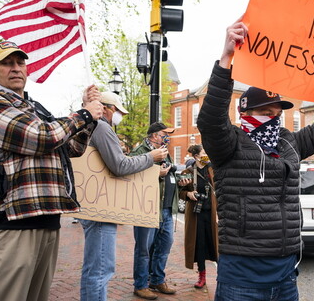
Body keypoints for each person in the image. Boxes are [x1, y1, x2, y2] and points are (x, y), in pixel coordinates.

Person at [196, 17, 314, 300]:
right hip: (242, 277)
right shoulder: (229, 145)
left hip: (286, 277)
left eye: (277, 113)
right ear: (246, 114)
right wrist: (226, 57)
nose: (273, 119)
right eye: (266, 113)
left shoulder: (288, 143)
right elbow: (211, 119)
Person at [0, 40, 103, 301]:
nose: (16, 68)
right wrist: (83, 115)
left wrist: (88, 120)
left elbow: (71, 148)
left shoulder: (33, 108)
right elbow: (40, 138)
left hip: (44, 218)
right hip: (8, 223)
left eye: (20, 62)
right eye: (6, 63)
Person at [79, 91, 169, 301]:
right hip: (102, 209)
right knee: (101, 269)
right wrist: (150, 157)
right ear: (108, 109)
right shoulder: (102, 127)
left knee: (93, 268)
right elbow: (119, 165)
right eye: (119, 111)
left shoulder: (94, 127)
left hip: (96, 204)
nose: (120, 116)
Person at [130, 122, 183, 300]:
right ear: (153, 135)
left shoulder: (164, 151)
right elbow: (130, 173)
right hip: (147, 208)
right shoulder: (139, 152)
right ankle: (141, 285)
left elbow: (169, 174)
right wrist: (156, 174)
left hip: (166, 209)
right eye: (163, 134)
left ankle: (157, 280)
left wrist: (181, 182)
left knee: (164, 246)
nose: (166, 138)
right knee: (144, 249)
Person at [178, 144, 218, 289]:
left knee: (216, 244)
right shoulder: (188, 171)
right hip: (196, 214)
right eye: (203, 152)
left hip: (212, 213)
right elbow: (180, 193)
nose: (206, 154)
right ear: (196, 156)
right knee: (199, 245)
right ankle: (202, 276)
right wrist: (188, 194)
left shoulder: (212, 169)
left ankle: (223, 276)